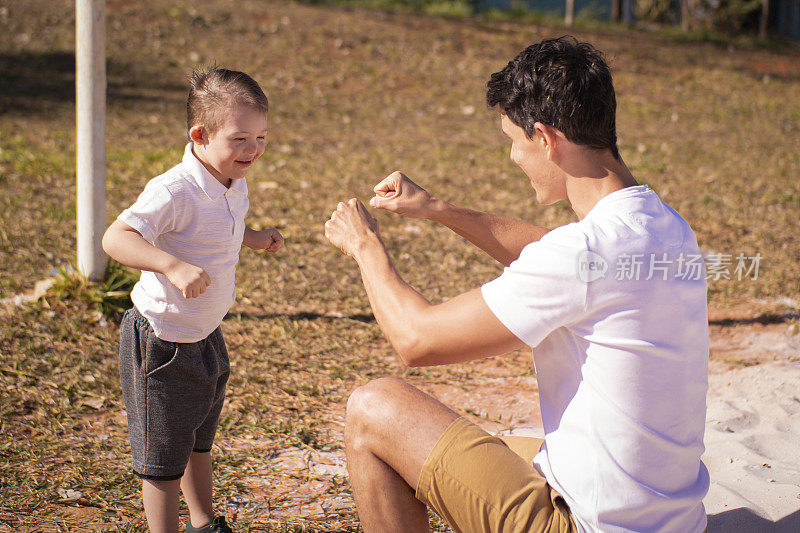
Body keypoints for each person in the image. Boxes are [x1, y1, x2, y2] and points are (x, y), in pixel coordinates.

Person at [324, 36, 709, 532]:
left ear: (546, 139)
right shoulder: (664, 225)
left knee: (374, 410)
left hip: (588, 527)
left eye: (513, 140)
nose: (512, 157)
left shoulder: (583, 253)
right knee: (500, 446)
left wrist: (364, 245)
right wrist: (436, 209)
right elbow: (557, 255)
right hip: (671, 521)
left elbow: (415, 340)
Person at [102, 67, 283, 533]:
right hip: (161, 344)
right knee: (163, 459)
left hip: (205, 335)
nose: (254, 149)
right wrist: (170, 265)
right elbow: (115, 238)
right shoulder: (173, 189)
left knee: (199, 440)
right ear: (199, 136)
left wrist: (255, 238)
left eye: (261, 137)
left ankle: (203, 523)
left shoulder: (230, 178)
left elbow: (218, 228)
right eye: (241, 138)